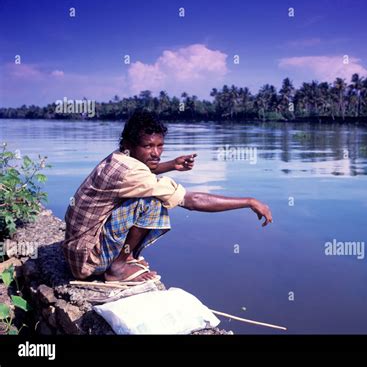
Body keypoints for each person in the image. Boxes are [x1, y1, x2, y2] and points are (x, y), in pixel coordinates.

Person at [62, 110, 273, 284]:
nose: (156, 153)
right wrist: (249, 201)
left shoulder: (118, 159)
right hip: (87, 261)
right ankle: (117, 266)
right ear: (128, 145)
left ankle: (121, 258)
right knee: (153, 201)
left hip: (77, 252)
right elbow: (191, 201)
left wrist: (172, 165)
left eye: (159, 145)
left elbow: (139, 176)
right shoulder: (133, 173)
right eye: (148, 146)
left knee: (149, 193)